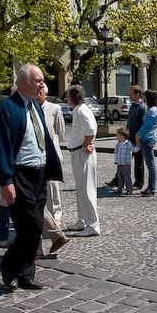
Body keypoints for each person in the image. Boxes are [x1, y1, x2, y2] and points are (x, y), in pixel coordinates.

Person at [0, 63, 64, 290]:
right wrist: (6, 180)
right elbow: (1, 146)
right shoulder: (7, 108)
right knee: (32, 226)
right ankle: (9, 266)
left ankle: (26, 274)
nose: (43, 84)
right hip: (19, 174)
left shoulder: (35, 107)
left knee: (30, 229)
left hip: (39, 174)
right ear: (24, 82)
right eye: (38, 80)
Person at [66, 84, 100, 237]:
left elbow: (91, 130)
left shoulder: (81, 111)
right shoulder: (79, 110)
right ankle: (82, 220)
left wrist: (86, 144)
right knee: (81, 189)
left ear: (71, 97)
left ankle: (92, 225)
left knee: (86, 190)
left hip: (82, 152)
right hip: (79, 151)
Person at [105, 85, 147, 189]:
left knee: (138, 160)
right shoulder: (132, 106)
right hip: (129, 136)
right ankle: (117, 180)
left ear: (138, 94)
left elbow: (144, 124)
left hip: (137, 137)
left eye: (131, 94)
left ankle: (139, 183)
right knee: (122, 159)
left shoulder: (142, 108)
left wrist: (139, 136)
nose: (129, 96)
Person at [0, 84, 20, 248]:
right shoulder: (4, 110)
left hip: (20, 171)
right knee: (4, 207)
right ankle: (2, 237)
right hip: (7, 172)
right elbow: (0, 148)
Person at [37, 82, 66, 228]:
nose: (38, 94)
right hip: (37, 153)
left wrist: (54, 146)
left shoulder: (55, 108)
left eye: (41, 92)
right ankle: (43, 215)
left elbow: (61, 132)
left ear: (46, 94)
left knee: (53, 186)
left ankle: (56, 214)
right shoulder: (30, 108)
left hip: (52, 152)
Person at [135, 89, 157, 197]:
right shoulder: (151, 110)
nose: (144, 99)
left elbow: (147, 125)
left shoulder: (152, 111)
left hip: (148, 139)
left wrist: (139, 135)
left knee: (151, 165)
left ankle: (151, 188)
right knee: (150, 164)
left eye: (145, 97)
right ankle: (150, 187)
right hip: (147, 138)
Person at [112, 127, 135, 195]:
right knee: (120, 177)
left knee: (127, 177)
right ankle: (120, 188)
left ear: (122, 137)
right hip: (120, 163)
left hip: (126, 164)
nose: (116, 137)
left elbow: (134, 149)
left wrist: (138, 146)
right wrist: (115, 160)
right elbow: (116, 153)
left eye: (117, 136)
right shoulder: (117, 145)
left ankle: (129, 189)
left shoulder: (128, 143)